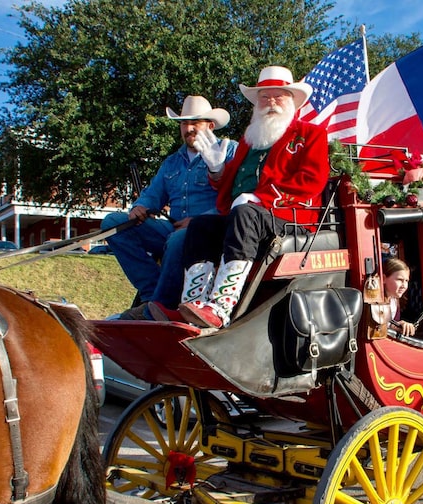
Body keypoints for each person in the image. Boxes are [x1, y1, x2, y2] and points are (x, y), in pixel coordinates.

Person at [160, 66, 329, 329]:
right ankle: (192, 304)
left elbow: (311, 182)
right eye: (264, 97)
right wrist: (217, 172)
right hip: (248, 215)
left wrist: (260, 199)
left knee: (243, 214)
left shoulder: (310, 135)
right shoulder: (250, 139)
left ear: (292, 101)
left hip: (289, 216)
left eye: (278, 96)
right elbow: (230, 187)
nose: (271, 102)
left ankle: (220, 307)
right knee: (201, 225)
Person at [101, 96, 237, 319]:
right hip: (173, 228)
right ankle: (151, 292)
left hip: (212, 232)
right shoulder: (172, 162)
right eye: (184, 123)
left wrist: (198, 222)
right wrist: (140, 207)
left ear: (211, 125)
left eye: (196, 122)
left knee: (177, 241)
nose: (189, 128)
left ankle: (159, 306)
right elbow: (152, 194)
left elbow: (236, 199)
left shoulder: (229, 151)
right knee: (114, 224)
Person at [383, 257, 416, 336]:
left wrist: (400, 325)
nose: (404, 286)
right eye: (399, 280)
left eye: (406, 281)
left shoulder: (395, 300)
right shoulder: (376, 303)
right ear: (384, 278)